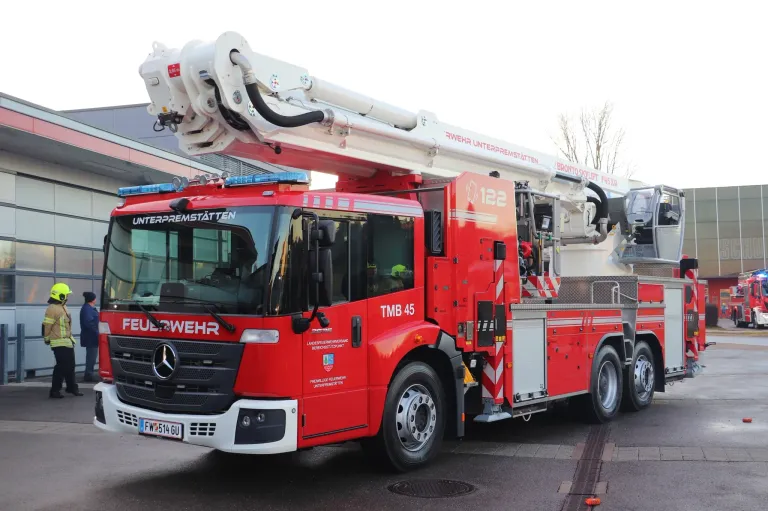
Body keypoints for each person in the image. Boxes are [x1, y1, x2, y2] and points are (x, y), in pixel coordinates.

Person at [43, 283, 83, 398]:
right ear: (60, 296)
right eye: (66, 295)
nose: (67, 297)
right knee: (61, 367)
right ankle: (55, 391)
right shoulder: (52, 309)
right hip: (58, 342)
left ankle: (71, 388)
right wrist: (46, 339)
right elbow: (46, 326)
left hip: (68, 341)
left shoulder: (63, 307)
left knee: (70, 366)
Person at [79, 291, 99, 382]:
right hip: (91, 337)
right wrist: (97, 331)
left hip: (93, 337)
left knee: (92, 356)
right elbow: (89, 323)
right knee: (91, 357)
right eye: (95, 298)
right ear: (92, 299)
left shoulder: (90, 308)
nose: (96, 299)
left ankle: (89, 374)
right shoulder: (87, 309)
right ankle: (88, 375)